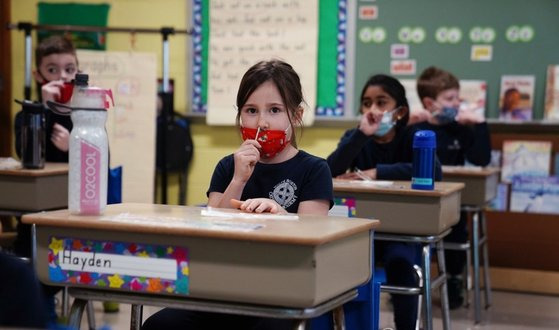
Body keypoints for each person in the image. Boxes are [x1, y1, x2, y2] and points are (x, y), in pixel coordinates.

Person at [141, 59, 333, 330]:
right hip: (223, 288)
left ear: (297, 115)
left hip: (282, 291)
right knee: (158, 325)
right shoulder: (228, 166)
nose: (262, 122)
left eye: (275, 110)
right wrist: (239, 179)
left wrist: (281, 214)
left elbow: (315, 238)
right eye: (251, 110)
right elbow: (210, 231)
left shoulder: (314, 169)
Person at [327, 74, 441, 330]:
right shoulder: (355, 137)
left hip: (401, 232)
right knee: (339, 263)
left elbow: (434, 169)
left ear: (399, 111)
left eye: (382, 102)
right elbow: (328, 170)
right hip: (360, 230)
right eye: (367, 103)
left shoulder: (413, 136)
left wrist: (376, 172)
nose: (373, 110)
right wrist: (359, 135)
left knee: (401, 264)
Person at [414, 66, 491, 309]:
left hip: (453, 205)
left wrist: (480, 125)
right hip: (421, 203)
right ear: (429, 103)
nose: (456, 103)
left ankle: (454, 280)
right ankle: (409, 281)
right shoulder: (415, 130)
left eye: (458, 97)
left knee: (458, 228)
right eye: (449, 99)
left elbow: (481, 159)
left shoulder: (461, 130)